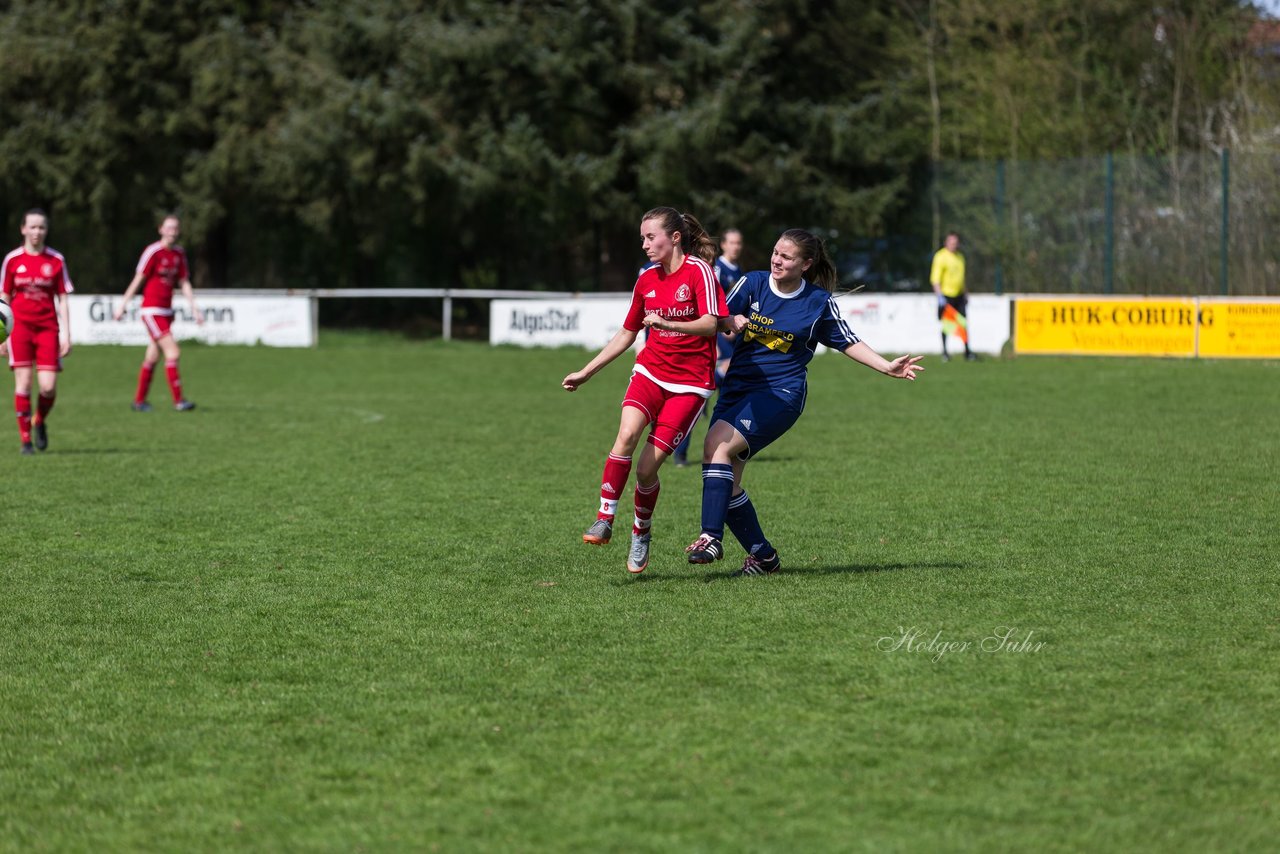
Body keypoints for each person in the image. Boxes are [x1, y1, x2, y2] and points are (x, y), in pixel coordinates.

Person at [686, 228, 923, 576]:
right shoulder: (752, 284)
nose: (777, 260)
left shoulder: (817, 302)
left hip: (780, 394)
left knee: (714, 446)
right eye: (775, 252)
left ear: (806, 264)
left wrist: (887, 366)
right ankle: (765, 558)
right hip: (736, 390)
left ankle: (710, 537)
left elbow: (847, 341)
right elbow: (714, 316)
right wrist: (727, 320)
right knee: (727, 480)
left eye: (787, 256)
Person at [562, 207, 728, 574]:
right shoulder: (647, 280)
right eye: (642, 238)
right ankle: (604, 518)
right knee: (626, 434)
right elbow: (627, 333)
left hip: (689, 385)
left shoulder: (699, 272)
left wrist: (668, 322)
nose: (645, 244)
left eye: (650, 237)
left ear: (675, 237)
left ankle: (641, 531)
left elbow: (711, 324)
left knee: (646, 470)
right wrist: (588, 371)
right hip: (650, 372)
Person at [0, 209, 73, 455]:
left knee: (48, 387)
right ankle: (25, 440)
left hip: (47, 329)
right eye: (32, 227)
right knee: (24, 383)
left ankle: (38, 420)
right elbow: (4, 297)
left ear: (46, 231)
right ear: (23, 229)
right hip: (19, 328)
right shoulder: (12, 260)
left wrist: (67, 334)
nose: (36, 232)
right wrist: (1, 336)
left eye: (41, 227)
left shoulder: (56, 260)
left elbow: (62, 297)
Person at [112, 214, 202, 411]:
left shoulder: (179, 254)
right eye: (168, 228)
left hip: (167, 311)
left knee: (152, 357)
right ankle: (179, 401)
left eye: (175, 228)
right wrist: (123, 305)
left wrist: (194, 308)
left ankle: (139, 401)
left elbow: (184, 282)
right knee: (173, 351)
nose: (172, 232)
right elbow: (138, 279)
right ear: (160, 229)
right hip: (152, 311)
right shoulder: (153, 252)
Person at [673, 228, 743, 466]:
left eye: (738, 243)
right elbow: (714, 311)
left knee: (728, 398)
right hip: (717, 341)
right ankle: (681, 452)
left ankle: (721, 448)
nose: (736, 247)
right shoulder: (717, 269)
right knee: (697, 399)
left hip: (731, 341)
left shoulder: (738, 271)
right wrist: (723, 334)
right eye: (732, 242)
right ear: (723, 245)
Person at [930, 231, 973, 361]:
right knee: (947, 325)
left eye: (956, 243)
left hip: (959, 296)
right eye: (951, 242)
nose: (954, 245)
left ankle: (967, 352)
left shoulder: (960, 257)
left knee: (963, 323)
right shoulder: (941, 256)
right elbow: (935, 279)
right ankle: (945, 353)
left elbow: (962, 278)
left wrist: (966, 293)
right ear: (946, 243)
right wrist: (939, 296)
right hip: (946, 295)